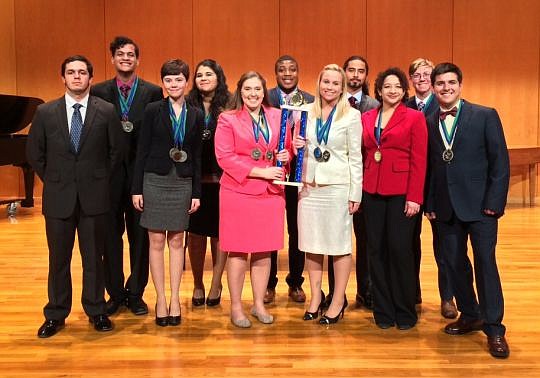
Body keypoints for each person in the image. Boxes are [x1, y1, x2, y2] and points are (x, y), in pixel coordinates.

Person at [27, 55, 122, 338]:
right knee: (58, 260)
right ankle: (56, 313)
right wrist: (56, 180)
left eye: (82, 72)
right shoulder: (45, 112)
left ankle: (96, 310)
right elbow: (35, 154)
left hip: (95, 197)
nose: (77, 77)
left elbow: (116, 152)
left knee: (94, 258)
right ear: (63, 78)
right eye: (71, 72)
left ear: (91, 78)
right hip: (59, 198)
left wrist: (97, 180)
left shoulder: (105, 110)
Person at [425, 62, 510, 358]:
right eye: (440, 83)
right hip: (445, 209)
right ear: (433, 87)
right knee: (453, 264)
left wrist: (494, 203)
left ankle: (495, 328)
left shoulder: (485, 115)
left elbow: (500, 162)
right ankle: (470, 314)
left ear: (460, 85)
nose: (446, 88)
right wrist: (430, 204)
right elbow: (430, 169)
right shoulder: (428, 120)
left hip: (481, 207)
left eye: (451, 82)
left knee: (486, 264)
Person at [91, 36, 163, 316]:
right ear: (112, 59)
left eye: (130, 54)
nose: (125, 58)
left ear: (137, 59)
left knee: (140, 237)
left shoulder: (153, 92)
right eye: (120, 54)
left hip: (140, 176)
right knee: (110, 236)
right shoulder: (97, 91)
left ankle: (136, 293)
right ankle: (115, 292)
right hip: (108, 177)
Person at [214, 71, 290, 328]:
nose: (253, 94)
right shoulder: (228, 119)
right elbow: (224, 157)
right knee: (237, 251)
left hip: (270, 195)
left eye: (257, 89)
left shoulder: (278, 116)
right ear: (240, 91)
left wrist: (287, 156)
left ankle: (258, 304)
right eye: (248, 89)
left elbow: (286, 149)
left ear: (264, 91)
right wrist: (261, 171)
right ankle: (236, 307)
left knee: (263, 250)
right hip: (239, 191)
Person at [132, 59, 203, 327]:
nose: (174, 84)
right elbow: (141, 151)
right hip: (154, 179)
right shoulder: (152, 110)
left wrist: (196, 191)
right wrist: (136, 188)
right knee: (156, 242)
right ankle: (160, 299)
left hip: (182, 183)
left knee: (176, 242)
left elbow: (195, 155)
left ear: (187, 82)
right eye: (169, 80)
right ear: (163, 83)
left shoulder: (194, 114)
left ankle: (175, 299)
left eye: (179, 80)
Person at [293, 64, 363, 325]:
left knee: (339, 245)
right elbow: (298, 147)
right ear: (318, 83)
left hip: (337, 188)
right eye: (326, 82)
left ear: (342, 87)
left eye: (335, 83)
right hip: (309, 186)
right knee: (312, 244)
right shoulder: (305, 112)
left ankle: (336, 301)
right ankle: (314, 298)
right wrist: (294, 144)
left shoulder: (351, 116)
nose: (330, 87)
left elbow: (355, 157)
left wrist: (355, 192)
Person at [361, 67, 427, 330]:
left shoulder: (414, 117)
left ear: (404, 90)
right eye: (387, 86)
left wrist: (415, 197)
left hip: (402, 193)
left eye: (398, 86)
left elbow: (420, 160)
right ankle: (383, 310)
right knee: (375, 251)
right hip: (371, 191)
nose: (392, 90)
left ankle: (405, 310)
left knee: (400, 251)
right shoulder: (366, 117)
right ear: (379, 90)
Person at [325, 55, 379, 311]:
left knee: (365, 238)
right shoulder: (326, 103)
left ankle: (366, 290)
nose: (356, 75)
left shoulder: (374, 105)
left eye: (361, 71)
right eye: (351, 70)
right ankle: (337, 294)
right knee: (335, 240)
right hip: (334, 183)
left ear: (366, 76)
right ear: (344, 73)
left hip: (365, 180)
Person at [405, 58, 458, 318]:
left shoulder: (446, 106)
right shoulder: (402, 106)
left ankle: (447, 297)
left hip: (439, 189)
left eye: (428, 74)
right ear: (411, 79)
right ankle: (412, 294)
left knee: (444, 247)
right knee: (409, 244)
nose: (423, 78)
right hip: (410, 189)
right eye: (417, 74)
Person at [265, 55, 314, 304]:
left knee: (298, 229)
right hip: (273, 174)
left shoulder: (311, 101)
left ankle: (295, 282)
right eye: (282, 69)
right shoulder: (267, 99)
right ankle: (268, 283)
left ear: (298, 72)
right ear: (275, 73)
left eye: (292, 69)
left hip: (300, 175)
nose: (287, 73)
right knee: (272, 228)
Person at [186, 59, 230, 307]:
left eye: (208, 74)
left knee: (218, 233)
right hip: (193, 178)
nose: (203, 78)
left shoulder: (230, 103)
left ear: (218, 77)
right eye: (199, 75)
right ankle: (198, 283)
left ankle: (216, 282)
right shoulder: (187, 103)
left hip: (222, 178)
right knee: (195, 234)